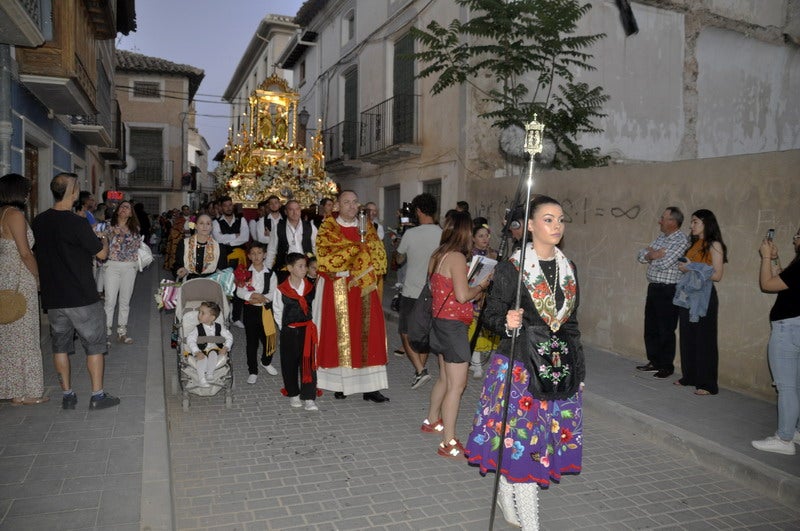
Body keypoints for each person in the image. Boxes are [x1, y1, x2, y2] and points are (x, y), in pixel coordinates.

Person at [464, 195, 585, 529]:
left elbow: (572, 323)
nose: (557, 226)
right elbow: (489, 314)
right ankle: (531, 524)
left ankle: (506, 491)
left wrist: (578, 369)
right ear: (530, 225)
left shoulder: (569, 269)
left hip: (555, 368)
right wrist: (507, 322)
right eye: (548, 219)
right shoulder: (512, 269)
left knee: (538, 443)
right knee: (523, 444)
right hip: (518, 368)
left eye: (561, 219)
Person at [32, 172, 119, 410]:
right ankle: (97, 396)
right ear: (72, 192)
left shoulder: (39, 221)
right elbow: (102, 254)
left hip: (54, 296)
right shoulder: (77, 222)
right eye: (78, 186)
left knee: (60, 346)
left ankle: (68, 395)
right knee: (94, 346)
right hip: (81, 296)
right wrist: (104, 239)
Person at [421, 210, 491, 456]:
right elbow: (463, 296)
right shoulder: (458, 258)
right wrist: (481, 285)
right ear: (465, 232)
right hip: (453, 327)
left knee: (444, 378)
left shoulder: (438, 254)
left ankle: (432, 420)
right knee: (457, 386)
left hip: (439, 322)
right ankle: (448, 441)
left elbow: (441, 288)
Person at [313, 190, 390, 403]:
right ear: (338, 205)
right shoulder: (328, 227)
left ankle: (371, 387)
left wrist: (363, 256)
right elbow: (325, 257)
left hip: (364, 287)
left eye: (355, 202)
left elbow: (379, 255)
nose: (351, 206)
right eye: (346, 202)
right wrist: (357, 250)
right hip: (338, 286)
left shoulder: (367, 227)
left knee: (368, 334)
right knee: (341, 336)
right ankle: (341, 384)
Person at [0, 174, 49, 405]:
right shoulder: (15, 215)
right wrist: (38, 276)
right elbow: (25, 253)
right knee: (27, 336)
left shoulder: (2, 213)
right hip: (20, 278)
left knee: (9, 338)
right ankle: (28, 391)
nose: (29, 195)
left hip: (6, 277)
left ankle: (14, 390)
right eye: (27, 191)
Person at [752, 226, 800, 455]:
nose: (795, 240)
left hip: (788, 328)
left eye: (797, 236)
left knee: (787, 387)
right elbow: (783, 279)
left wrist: (764, 257)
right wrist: (774, 258)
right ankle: (795, 431)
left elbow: (768, 284)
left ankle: (784, 439)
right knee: (796, 385)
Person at [674, 209, 727, 395]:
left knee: (705, 339)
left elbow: (717, 275)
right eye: (691, 222)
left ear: (706, 223)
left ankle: (707, 384)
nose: (691, 225)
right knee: (687, 336)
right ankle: (690, 376)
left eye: (695, 222)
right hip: (688, 294)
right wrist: (685, 267)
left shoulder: (715, 245)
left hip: (704, 295)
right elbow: (691, 268)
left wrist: (691, 267)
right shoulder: (695, 243)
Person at [636, 207, 690, 378]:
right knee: (651, 327)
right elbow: (640, 255)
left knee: (666, 328)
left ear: (673, 222)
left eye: (663, 218)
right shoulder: (661, 238)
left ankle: (666, 366)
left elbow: (665, 263)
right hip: (654, 287)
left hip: (669, 289)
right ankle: (654, 361)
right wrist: (652, 255)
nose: (660, 221)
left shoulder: (681, 240)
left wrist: (651, 255)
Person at [394, 193, 442, 389]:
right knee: (424, 333)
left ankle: (421, 370)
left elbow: (398, 259)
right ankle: (420, 371)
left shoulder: (410, 234)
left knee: (405, 332)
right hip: (433, 292)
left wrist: (397, 246)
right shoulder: (442, 233)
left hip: (412, 292)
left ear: (419, 211)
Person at [272, 253, 319, 411]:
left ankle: (309, 397)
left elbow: (315, 308)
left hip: (307, 330)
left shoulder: (310, 288)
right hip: (289, 331)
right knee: (289, 363)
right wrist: (285, 328)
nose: (304, 269)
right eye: (300, 266)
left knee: (308, 363)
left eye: (305, 266)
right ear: (290, 268)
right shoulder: (281, 290)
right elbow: (277, 310)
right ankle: (293, 393)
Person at [235, 243, 278, 383]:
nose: (256, 256)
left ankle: (266, 362)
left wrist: (262, 298)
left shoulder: (270, 274)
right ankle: (252, 370)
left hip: (265, 310)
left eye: (259, 253)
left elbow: (274, 292)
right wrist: (252, 296)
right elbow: (240, 291)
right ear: (249, 256)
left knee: (269, 340)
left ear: (264, 255)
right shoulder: (244, 272)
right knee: (252, 342)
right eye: (253, 253)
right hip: (250, 310)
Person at [103, 200, 142, 344]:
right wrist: (111, 235)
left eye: (127, 207)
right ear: (117, 210)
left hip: (129, 267)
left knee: (125, 301)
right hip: (111, 265)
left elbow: (136, 246)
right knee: (110, 301)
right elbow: (101, 241)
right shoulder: (108, 225)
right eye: (122, 206)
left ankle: (122, 332)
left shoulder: (135, 228)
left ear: (131, 213)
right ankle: (106, 333)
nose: (124, 209)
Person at [468, 222, 501, 379]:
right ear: (473, 238)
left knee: (487, 331)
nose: (485, 239)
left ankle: (487, 364)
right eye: (480, 236)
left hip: (490, 297)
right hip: (474, 296)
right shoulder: (469, 255)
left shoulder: (494, 254)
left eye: (487, 236)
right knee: (475, 329)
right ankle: (476, 364)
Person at [213, 196, 250, 327]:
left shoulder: (241, 220)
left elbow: (245, 237)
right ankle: (224, 316)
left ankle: (236, 317)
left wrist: (228, 241)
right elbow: (218, 239)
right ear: (221, 208)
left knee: (239, 284)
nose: (228, 208)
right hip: (223, 258)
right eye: (225, 205)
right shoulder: (216, 222)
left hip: (239, 258)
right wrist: (235, 235)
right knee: (225, 286)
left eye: (230, 205)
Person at [186, 301, 233, 388]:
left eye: (202, 313)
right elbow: (190, 339)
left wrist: (226, 347)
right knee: (202, 359)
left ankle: (210, 374)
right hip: (202, 350)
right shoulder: (198, 328)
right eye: (199, 312)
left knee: (213, 354)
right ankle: (201, 379)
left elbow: (229, 337)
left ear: (212, 318)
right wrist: (196, 351)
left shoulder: (219, 327)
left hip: (214, 349)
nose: (199, 315)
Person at [265, 199, 317, 274]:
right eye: (291, 210)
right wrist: (267, 271)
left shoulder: (310, 227)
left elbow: (315, 248)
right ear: (286, 212)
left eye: (297, 209)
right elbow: (271, 250)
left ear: (300, 211)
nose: (295, 212)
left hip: (306, 268)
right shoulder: (278, 227)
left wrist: (317, 267)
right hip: (285, 268)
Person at [173, 214, 224, 280]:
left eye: (208, 224)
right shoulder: (184, 243)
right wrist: (180, 270)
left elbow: (222, 270)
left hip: (210, 282)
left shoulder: (219, 247)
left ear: (211, 227)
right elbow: (177, 265)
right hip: (188, 281)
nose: (205, 226)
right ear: (196, 226)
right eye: (201, 223)